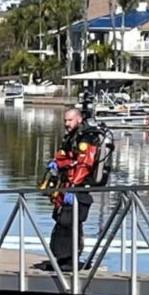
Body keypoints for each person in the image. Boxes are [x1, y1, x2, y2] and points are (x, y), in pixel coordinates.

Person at [40, 108, 100, 271]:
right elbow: (65, 157)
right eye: (65, 120)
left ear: (79, 119)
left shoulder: (87, 138)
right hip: (66, 185)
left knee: (70, 222)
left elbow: (85, 164)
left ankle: (70, 261)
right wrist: (56, 164)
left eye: (70, 120)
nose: (66, 124)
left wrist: (73, 187)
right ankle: (61, 259)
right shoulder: (72, 136)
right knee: (61, 220)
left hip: (77, 188)